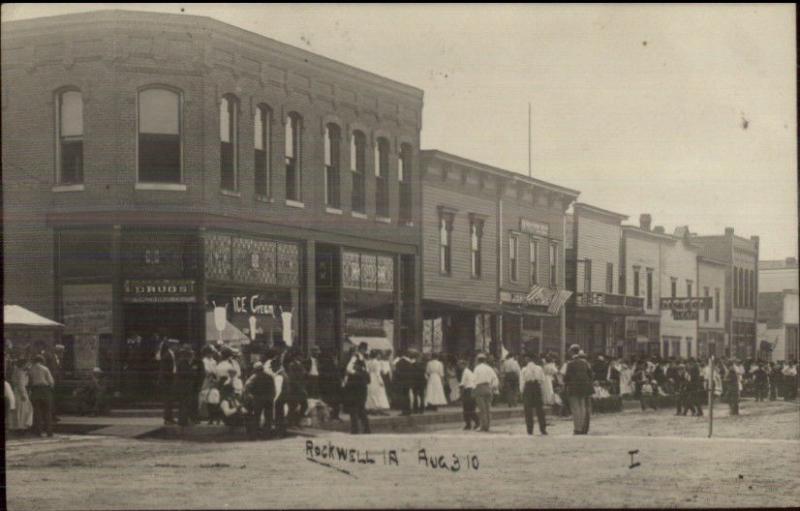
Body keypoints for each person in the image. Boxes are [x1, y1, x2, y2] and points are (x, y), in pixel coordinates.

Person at [563, 345, 593, 435]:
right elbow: (591, 375)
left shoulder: (570, 364)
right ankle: (583, 428)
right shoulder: (586, 363)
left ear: (572, 352)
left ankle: (577, 428)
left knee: (575, 408)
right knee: (582, 407)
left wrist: (566, 384)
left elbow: (566, 377)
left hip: (574, 388)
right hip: (584, 387)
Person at [343, 342, 371, 434]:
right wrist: (358, 374)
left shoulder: (363, 359)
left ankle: (362, 428)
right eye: (364, 349)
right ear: (361, 349)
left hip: (360, 385)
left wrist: (362, 374)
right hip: (355, 385)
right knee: (356, 407)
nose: (365, 351)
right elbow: (349, 369)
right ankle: (360, 429)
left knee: (358, 407)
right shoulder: (356, 357)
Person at [244, 361, 275, 439]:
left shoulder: (254, 377)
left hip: (258, 399)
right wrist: (271, 397)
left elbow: (247, 387)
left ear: (255, 369)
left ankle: (254, 435)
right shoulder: (270, 376)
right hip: (268, 399)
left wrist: (251, 395)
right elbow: (273, 389)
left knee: (256, 417)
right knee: (268, 417)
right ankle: (267, 435)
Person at [519, 354, 547, 436]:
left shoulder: (524, 369)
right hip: (536, 387)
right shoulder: (539, 368)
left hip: (528, 388)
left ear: (527, 359)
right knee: (540, 410)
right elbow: (542, 381)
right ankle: (543, 429)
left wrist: (522, 392)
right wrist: (542, 391)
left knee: (528, 410)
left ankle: (530, 429)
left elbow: (522, 382)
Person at [28, 355, 55, 437]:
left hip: (35, 390)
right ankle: (49, 431)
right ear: (42, 361)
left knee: (37, 412)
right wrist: (51, 388)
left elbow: (29, 381)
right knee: (47, 412)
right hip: (45, 390)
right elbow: (51, 381)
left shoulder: (30, 369)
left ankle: (38, 431)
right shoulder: (45, 369)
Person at [472, 353, 499, 432]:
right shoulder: (489, 368)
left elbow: (474, 379)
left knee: (482, 409)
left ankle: (483, 426)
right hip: (488, 387)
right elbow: (495, 378)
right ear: (485, 360)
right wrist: (493, 387)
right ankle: (488, 426)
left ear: (478, 360)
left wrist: (473, 389)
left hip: (480, 388)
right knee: (488, 408)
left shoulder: (477, 368)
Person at [156, 338, 179, 425]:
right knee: (168, 400)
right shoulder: (167, 355)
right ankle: (167, 418)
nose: (177, 347)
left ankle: (169, 417)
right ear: (172, 346)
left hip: (170, 380)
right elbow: (165, 370)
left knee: (170, 400)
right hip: (167, 381)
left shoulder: (171, 354)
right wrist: (172, 376)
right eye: (176, 345)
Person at [284, 350, 309, 428]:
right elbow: (292, 378)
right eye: (300, 356)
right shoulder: (292, 365)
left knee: (304, 405)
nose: (302, 357)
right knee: (293, 406)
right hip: (294, 389)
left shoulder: (301, 365)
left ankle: (296, 421)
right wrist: (300, 388)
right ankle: (291, 423)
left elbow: (304, 374)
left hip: (301, 387)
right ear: (296, 356)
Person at [318, 349, 343, 421]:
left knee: (336, 402)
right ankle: (332, 416)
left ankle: (335, 416)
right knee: (332, 402)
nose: (335, 358)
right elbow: (324, 376)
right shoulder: (328, 365)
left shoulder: (335, 365)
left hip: (335, 386)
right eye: (333, 356)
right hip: (331, 386)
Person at [9, 358, 33, 432]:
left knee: (19, 409)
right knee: (24, 409)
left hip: (16, 391)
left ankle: (16, 425)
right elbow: (21, 384)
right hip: (21, 392)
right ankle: (21, 426)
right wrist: (23, 394)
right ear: (23, 364)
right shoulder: (21, 372)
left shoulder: (16, 371)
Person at [175, 345, 196, 428]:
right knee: (184, 403)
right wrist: (192, 371)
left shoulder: (184, 362)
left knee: (185, 403)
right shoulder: (183, 362)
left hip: (185, 386)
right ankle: (183, 421)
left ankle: (184, 420)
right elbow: (184, 374)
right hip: (184, 387)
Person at [458, 356, 479, 430]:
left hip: (468, 391)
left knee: (467, 408)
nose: (459, 366)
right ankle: (471, 423)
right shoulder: (469, 371)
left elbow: (462, 384)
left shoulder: (465, 372)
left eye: (460, 365)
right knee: (470, 408)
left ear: (464, 365)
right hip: (472, 390)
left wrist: (461, 394)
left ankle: (471, 423)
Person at [394, 350, 416, 416]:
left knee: (403, 396)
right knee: (407, 395)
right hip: (408, 381)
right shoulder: (409, 363)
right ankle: (408, 410)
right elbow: (412, 373)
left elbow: (397, 373)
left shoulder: (399, 363)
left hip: (402, 382)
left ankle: (404, 410)